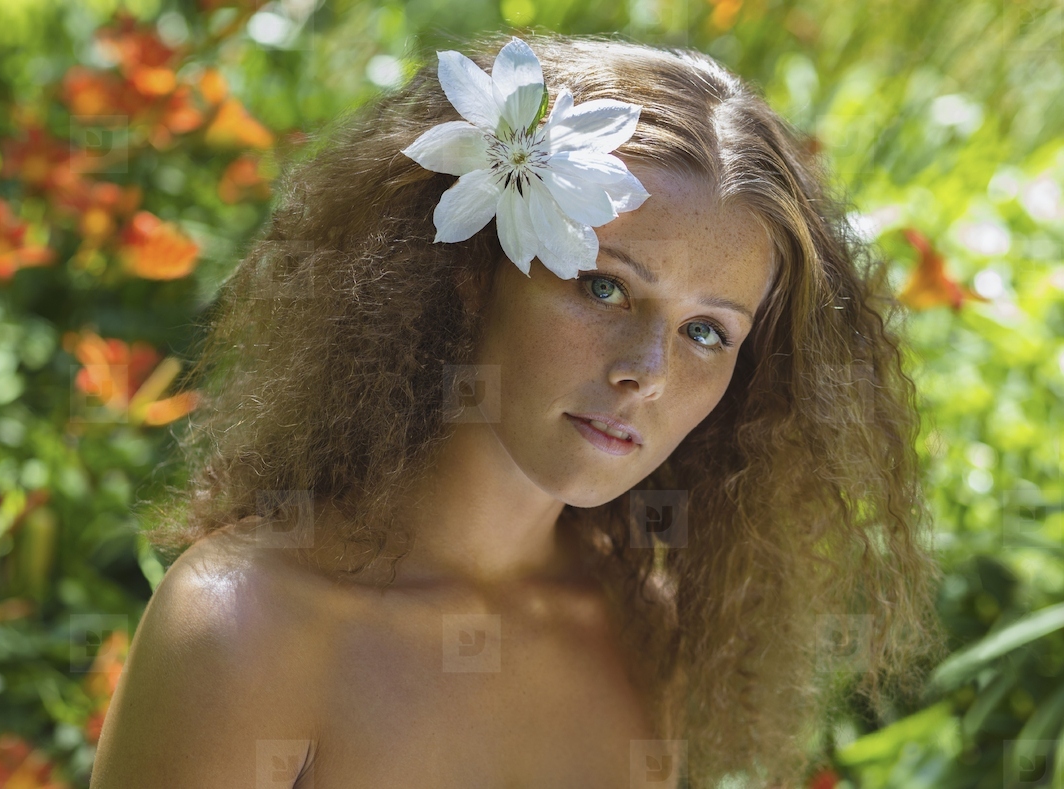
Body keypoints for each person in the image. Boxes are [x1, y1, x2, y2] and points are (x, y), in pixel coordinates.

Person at [89, 31, 944, 789]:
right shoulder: (251, 623)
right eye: (604, 286)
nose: (646, 371)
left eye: (707, 333)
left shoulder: (645, 629)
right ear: (472, 272)